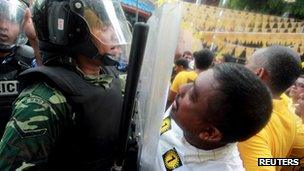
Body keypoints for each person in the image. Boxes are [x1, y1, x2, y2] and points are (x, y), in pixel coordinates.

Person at [0, 0, 132, 170]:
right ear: (74, 32)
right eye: (103, 26)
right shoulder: (41, 102)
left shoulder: (112, 78)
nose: (115, 33)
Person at [156, 63, 272, 171]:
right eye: (193, 83)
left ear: (209, 132)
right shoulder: (184, 112)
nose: (182, 88)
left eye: (192, 96)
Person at [238, 45, 304, 171]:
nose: (242, 68)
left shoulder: (249, 122)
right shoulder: (290, 115)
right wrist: (280, 162)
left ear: (259, 73)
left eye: (247, 64)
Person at [0, 0, 36, 137]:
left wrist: (34, 41)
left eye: (11, 21)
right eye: (0, 18)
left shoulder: (30, 59)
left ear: (21, 26)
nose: (3, 26)